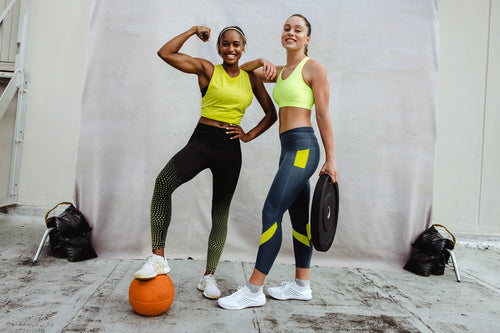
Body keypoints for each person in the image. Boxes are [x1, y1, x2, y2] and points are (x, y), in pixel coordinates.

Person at [134, 25, 277, 301]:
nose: (231, 49)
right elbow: (165, 53)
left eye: (236, 44)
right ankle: (157, 257)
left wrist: (247, 135)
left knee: (220, 213)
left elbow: (271, 114)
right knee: (163, 183)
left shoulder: (251, 78)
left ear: (244, 47)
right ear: (219, 47)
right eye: (225, 44)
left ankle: (208, 276)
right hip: (202, 140)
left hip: (230, 148)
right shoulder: (208, 70)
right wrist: (192, 31)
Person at [218, 14, 338, 310]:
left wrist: (331, 159)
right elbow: (239, 71)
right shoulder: (282, 71)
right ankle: (301, 285)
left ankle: (254, 289)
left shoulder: (314, 68)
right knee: (299, 218)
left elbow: (322, 115)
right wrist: (259, 60)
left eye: (298, 30)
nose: (291, 33)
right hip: (287, 150)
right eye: (287, 28)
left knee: (271, 210)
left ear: (307, 38)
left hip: (304, 148)